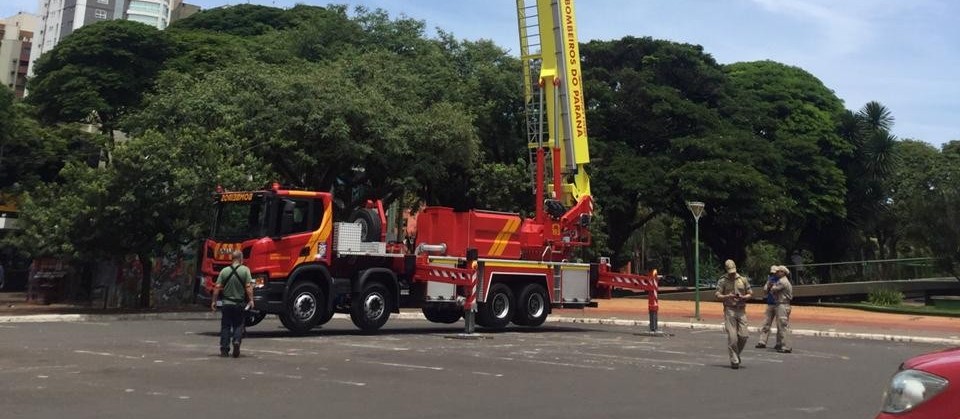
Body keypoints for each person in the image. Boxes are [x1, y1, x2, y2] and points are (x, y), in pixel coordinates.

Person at [210, 250, 254, 358]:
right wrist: (251, 300)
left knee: (225, 326)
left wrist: (214, 301)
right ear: (240, 259)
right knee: (238, 324)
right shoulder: (245, 270)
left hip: (226, 304)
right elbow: (248, 287)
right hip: (239, 304)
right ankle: (236, 341)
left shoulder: (224, 271)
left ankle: (224, 349)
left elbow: (217, 287)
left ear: (232, 258)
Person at [715, 259, 753, 369]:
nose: (732, 274)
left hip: (741, 309)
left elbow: (750, 293)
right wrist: (727, 296)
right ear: (726, 270)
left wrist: (744, 297)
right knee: (732, 338)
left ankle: (736, 354)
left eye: (733, 271)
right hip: (729, 310)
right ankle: (734, 359)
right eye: (730, 271)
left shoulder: (743, 279)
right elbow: (717, 294)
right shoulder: (722, 281)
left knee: (744, 336)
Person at [757, 265, 793, 353]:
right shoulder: (778, 280)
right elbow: (766, 290)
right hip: (778, 304)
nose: (776, 273)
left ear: (783, 272)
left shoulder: (782, 281)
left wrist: (771, 286)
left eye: (778, 272)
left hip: (782, 305)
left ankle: (785, 345)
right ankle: (781, 345)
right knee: (778, 325)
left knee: (782, 326)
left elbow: (773, 289)